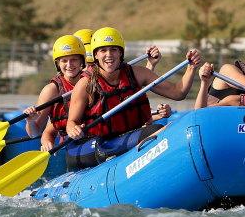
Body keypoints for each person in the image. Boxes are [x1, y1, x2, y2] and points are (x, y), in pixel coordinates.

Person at [65, 27, 200, 167]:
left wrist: (191, 68)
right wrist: (73, 129)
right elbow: (71, 123)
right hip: (91, 147)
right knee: (155, 131)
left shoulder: (138, 74)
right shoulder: (85, 84)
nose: (109, 55)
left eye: (113, 50)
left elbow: (178, 93)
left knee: (164, 128)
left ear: (121, 53)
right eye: (103, 50)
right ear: (96, 55)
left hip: (125, 136)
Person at [24, 35, 86, 150]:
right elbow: (35, 133)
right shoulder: (51, 90)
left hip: (92, 138)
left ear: (81, 61)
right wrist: (31, 121)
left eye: (74, 59)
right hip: (69, 145)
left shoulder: (90, 81)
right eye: (64, 61)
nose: (69, 65)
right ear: (58, 64)